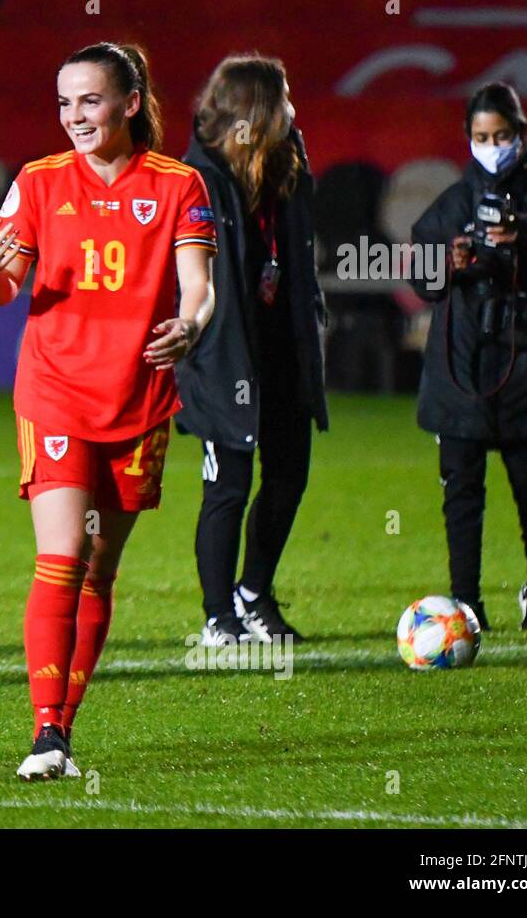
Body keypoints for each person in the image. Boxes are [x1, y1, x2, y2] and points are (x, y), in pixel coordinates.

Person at [0, 42, 215, 780]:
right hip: (54, 395)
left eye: (89, 100)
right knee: (60, 560)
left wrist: (192, 325)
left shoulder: (179, 185)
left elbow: (198, 287)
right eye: (64, 103)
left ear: (130, 103)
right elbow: (4, 285)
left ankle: (65, 726)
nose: (74, 116)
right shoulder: (38, 182)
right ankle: (46, 734)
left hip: (138, 401)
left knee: (98, 573)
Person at [410, 82, 527, 630]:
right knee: (461, 496)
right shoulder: (452, 203)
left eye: (502, 135)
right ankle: (466, 608)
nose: (492, 146)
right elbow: (421, 279)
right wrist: (450, 259)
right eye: (481, 136)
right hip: (462, 370)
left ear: (523, 133)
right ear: (467, 138)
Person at [175, 55, 328, 647]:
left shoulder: (288, 166)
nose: (292, 111)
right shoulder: (200, 178)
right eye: (283, 100)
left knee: (290, 474)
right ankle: (218, 618)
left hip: (283, 352)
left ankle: (254, 591)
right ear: (258, 112)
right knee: (228, 485)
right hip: (224, 356)